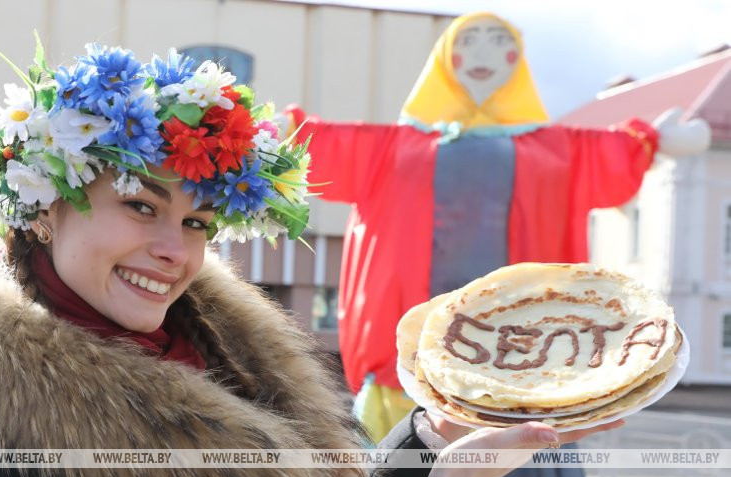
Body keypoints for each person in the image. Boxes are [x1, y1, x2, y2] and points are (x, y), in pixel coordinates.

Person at [0, 40, 621, 477]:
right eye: (140, 206)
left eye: (197, 222)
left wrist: (430, 443)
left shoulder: (222, 343)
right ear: (42, 207)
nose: (175, 251)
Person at [284, 11, 710, 448]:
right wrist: (287, 135)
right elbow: (332, 146)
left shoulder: (550, 149)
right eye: (469, 43)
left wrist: (651, 141)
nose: (483, 55)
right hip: (404, 364)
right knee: (405, 455)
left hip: (531, 359)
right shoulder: (395, 147)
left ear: (516, 60)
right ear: (446, 59)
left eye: (496, 42)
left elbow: (601, 155)